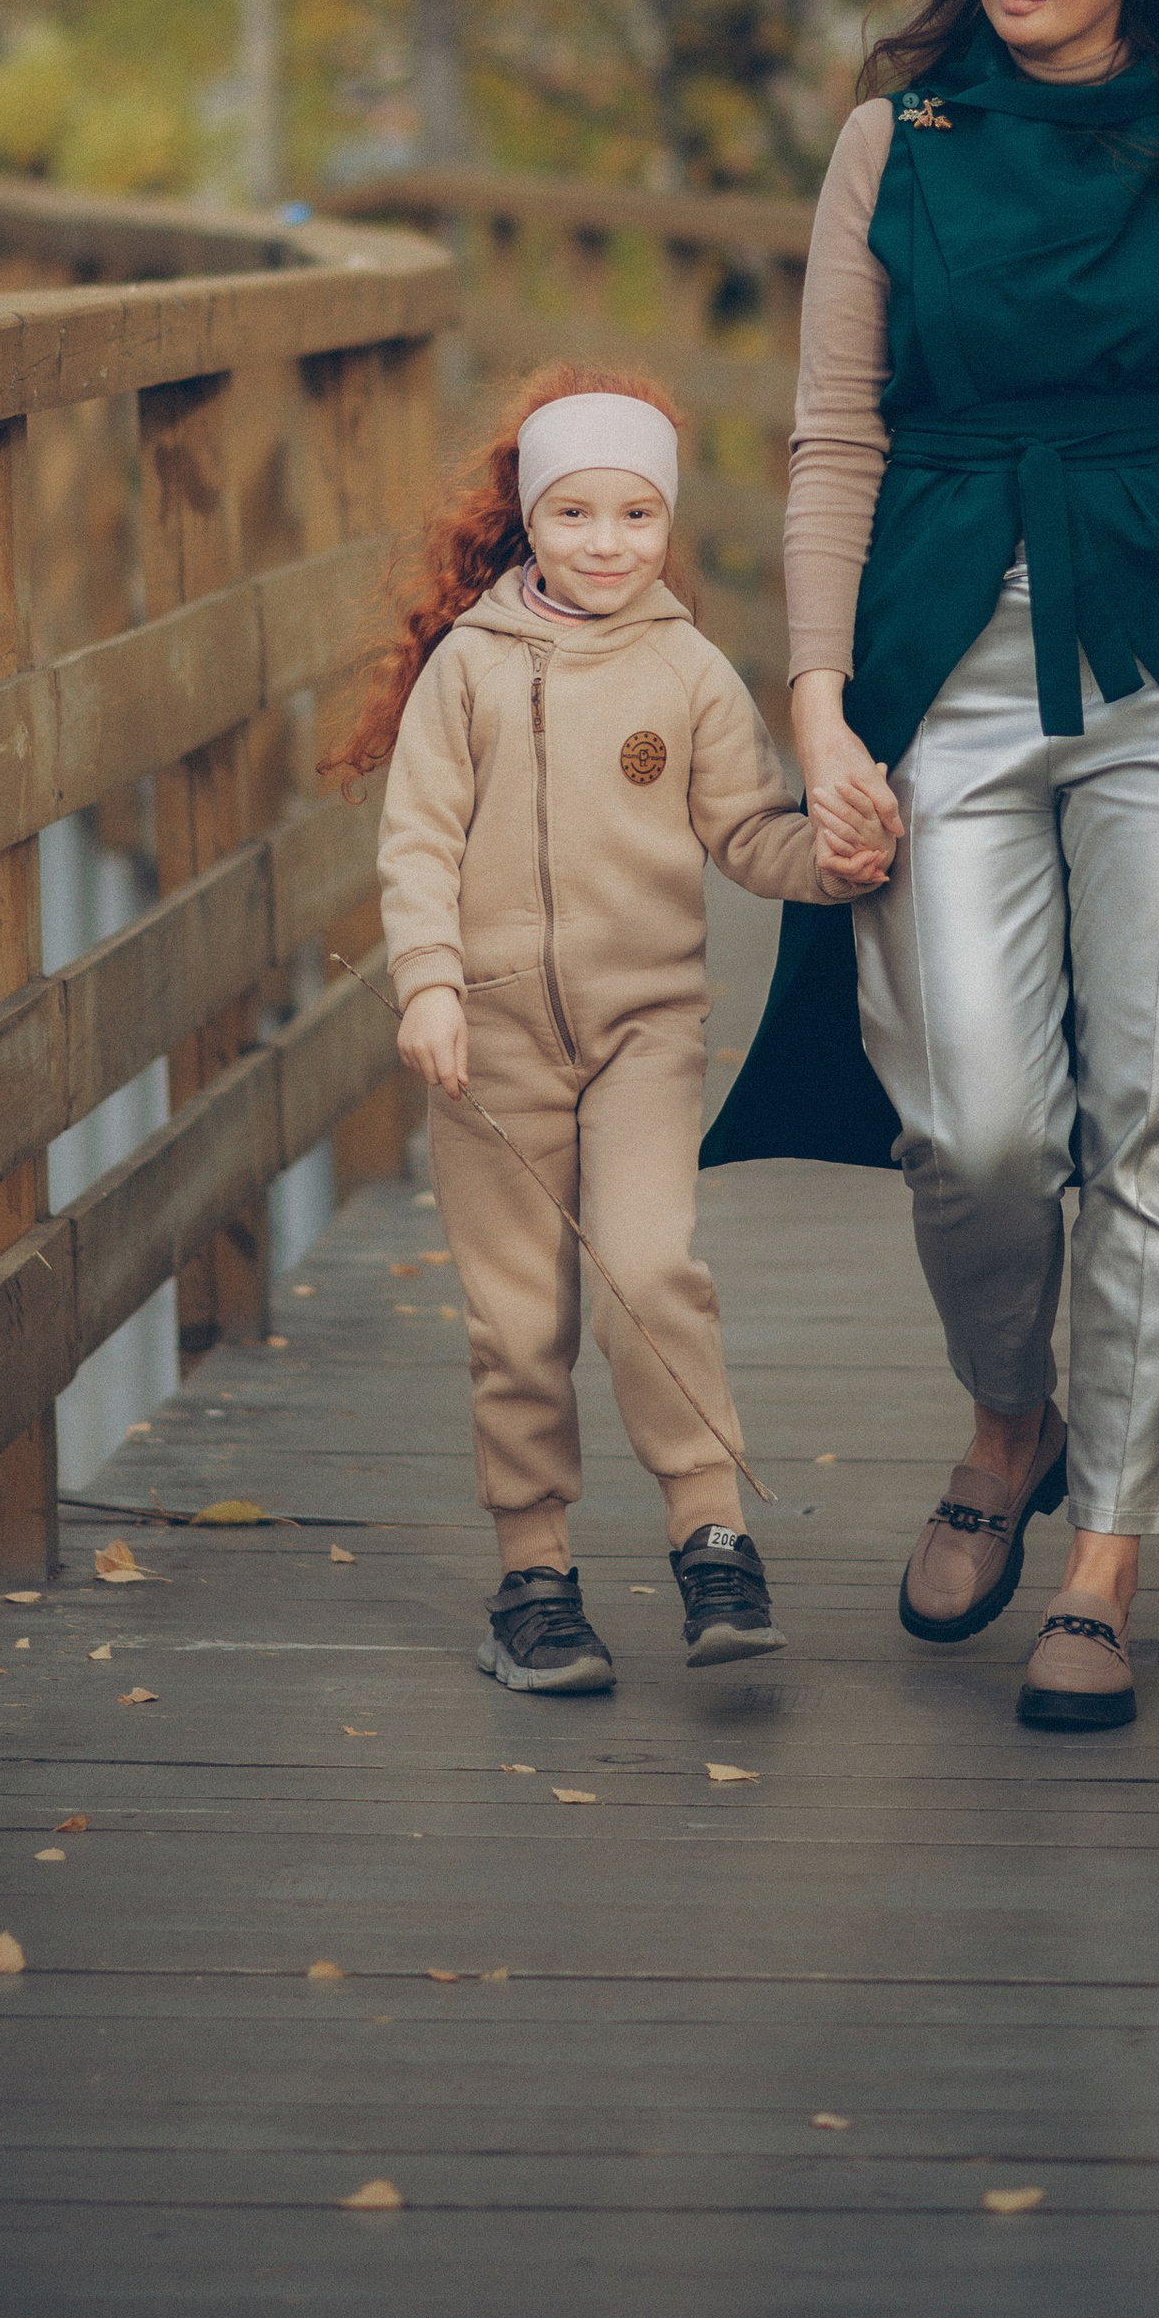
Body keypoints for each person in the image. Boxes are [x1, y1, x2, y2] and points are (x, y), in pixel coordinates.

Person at [706, 0, 1159, 1732]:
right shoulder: (886, 145)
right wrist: (816, 699)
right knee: (977, 1123)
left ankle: (1103, 1559)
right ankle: (1011, 1414)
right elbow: (832, 437)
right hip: (942, 659)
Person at [339, 364, 878, 1699]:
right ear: (529, 518)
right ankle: (535, 1580)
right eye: (575, 514)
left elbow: (750, 829)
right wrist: (432, 984)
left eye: (635, 517)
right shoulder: (468, 670)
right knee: (519, 1318)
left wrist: (836, 857)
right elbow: (416, 840)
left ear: (667, 523)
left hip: (646, 1028)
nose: (606, 544)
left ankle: (713, 1538)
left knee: (648, 1271)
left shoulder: (686, 667)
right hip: (492, 1038)